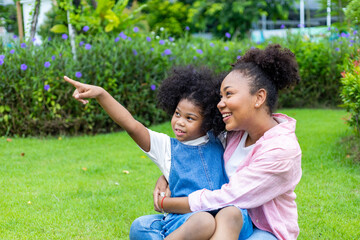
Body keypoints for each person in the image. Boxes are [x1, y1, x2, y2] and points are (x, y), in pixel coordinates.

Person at [133, 44, 302, 240]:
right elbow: (198, 153)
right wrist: (168, 175)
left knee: (228, 216)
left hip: (261, 229)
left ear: (259, 97)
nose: (220, 103)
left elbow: (229, 197)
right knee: (142, 227)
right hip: (217, 218)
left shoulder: (282, 150)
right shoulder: (234, 133)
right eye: (220, 96)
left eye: (228, 94)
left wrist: (166, 204)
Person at [64, 66, 253, 240]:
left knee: (233, 212)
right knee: (203, 221)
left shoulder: (220, 138)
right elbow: (131, 124)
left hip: (226, 221)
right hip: (188, 221)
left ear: (208, 120)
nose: (179, 122)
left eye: (190, 118)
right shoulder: (165, 147)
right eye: (177, 114)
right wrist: (101, 94)